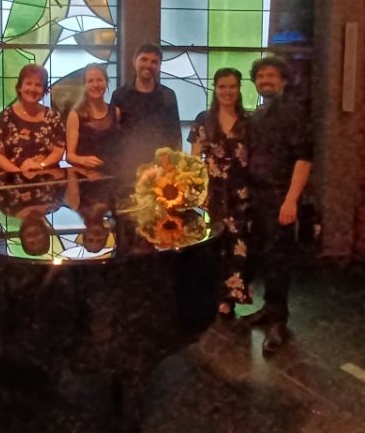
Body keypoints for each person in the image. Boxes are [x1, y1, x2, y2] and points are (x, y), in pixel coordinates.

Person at [241, 56, 313, 354]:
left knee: (279, 260)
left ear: (283, 80)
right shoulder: (259, 113)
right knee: (263, 256)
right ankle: (268, 309)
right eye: (260, 76)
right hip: (257, 197)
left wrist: (291, 200)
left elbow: (304, 159)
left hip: (280, 197)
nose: (265, 81)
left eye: (271, 76)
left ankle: (278, 323)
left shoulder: (294, 112)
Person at [188, 68, 251, 319]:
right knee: (214, 243)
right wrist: (194, 187)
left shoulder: (248, 121)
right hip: (212, 191)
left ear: (239, 88)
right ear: (215, 89)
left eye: (232, 86)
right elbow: (194, 158)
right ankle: (211, 295)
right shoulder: (204, 119)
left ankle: (230, 298)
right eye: (222, 86)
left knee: (238, 245)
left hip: (241, 191)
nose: (227, 91)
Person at [111, 43, 182, 175]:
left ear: (159, 66)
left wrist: (176, 166)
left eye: (154, 62)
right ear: (134, 61)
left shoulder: (168, 95)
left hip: (161, 167)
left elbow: (175, 134)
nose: (148, 65)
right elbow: (113, 134)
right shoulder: (120, 95)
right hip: (128, 167)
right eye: (144, 59)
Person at [0, 64, 65, 172]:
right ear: (20, 87)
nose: (33, 89)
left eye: (38, 85)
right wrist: (18, 173)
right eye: (28, 83)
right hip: (13, 177)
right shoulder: (5, 117)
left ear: (44, 90)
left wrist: (41, 165)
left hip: (47, 176)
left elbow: (59, 149)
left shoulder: (53, 116)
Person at [65, 63, 120, 170]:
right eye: (90, 81)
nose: (95, 85)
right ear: (84, 85)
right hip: (85, 174)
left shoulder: (116, 112)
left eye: (99, 80)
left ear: (106, 82)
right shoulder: (75, 115)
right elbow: (70, 156)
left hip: (112, 173)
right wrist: (81, 160)